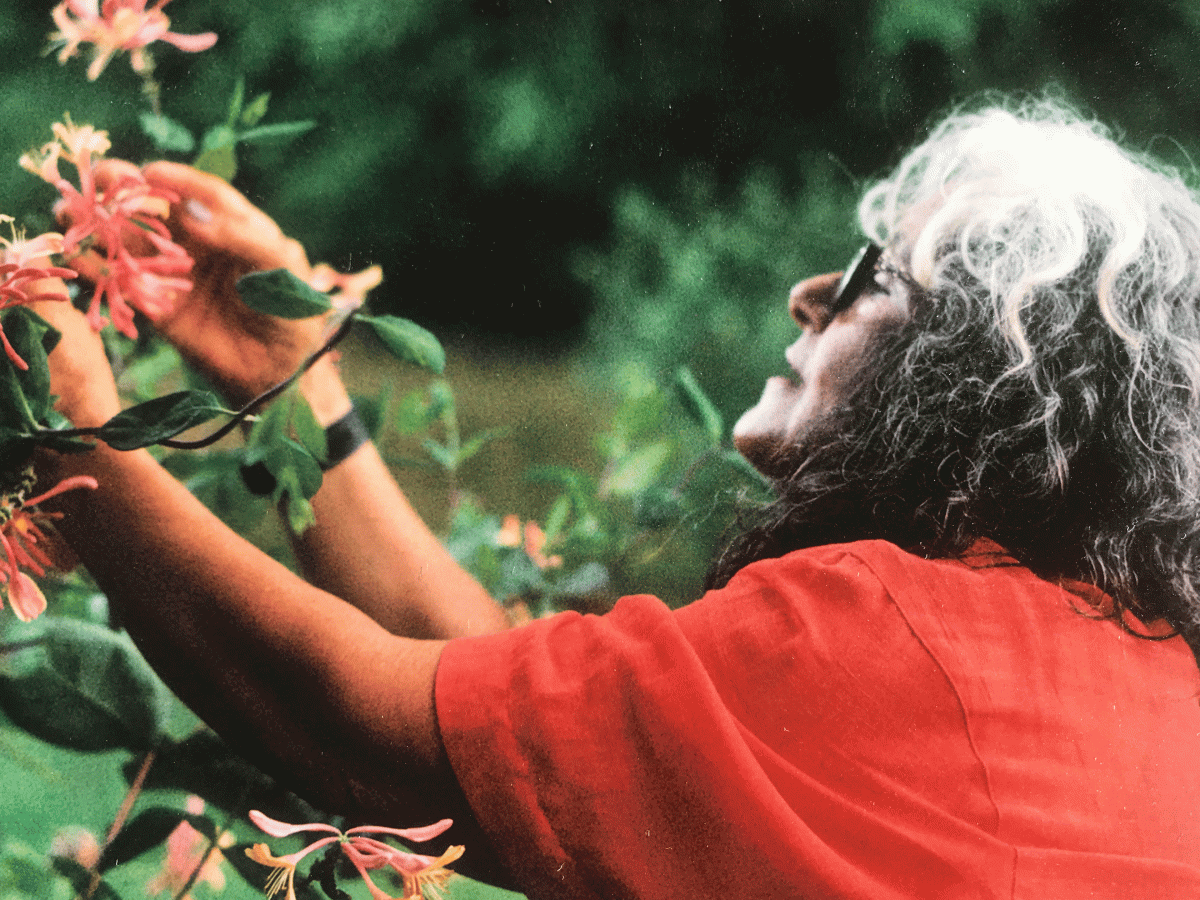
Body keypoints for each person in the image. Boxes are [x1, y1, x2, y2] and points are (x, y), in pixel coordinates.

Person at [31, 98, 1200, 899]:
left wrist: (75, 438)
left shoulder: (890, 642)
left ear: (969, 375)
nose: (806, 294)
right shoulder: (1115, 677)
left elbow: (358, 732)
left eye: (866, 275)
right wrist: (295, 385)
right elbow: (518, 729)